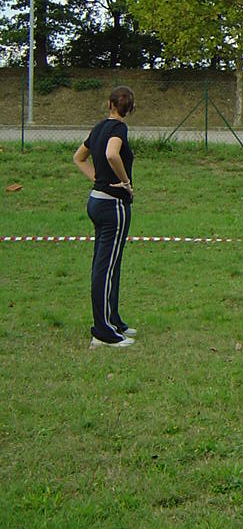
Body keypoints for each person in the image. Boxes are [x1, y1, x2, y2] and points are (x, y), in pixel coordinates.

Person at [73, 85, 137, 348]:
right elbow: (112, 154)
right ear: (130, 109)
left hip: (96, 201)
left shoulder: (98, 128)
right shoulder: (119, 129)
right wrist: (126, 182)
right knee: (106, 267)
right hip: (113, 206)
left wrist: (97, 178)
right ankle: (103, 332)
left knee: (110, 263)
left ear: (109, 104)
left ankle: (113, 320)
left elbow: (79, 158)